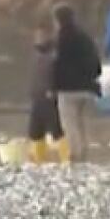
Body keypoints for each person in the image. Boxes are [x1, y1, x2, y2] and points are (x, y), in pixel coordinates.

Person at [50, 4, 102, 163]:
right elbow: (96, 63)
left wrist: (53, 87)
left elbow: (57, 66)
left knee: (70, 124)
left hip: (68, 90)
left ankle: (75, 155)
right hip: (87, 88)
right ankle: (84, 154)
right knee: (82, 124)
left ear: (57, 20)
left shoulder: (61, 39)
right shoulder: (85, 37)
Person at [29, 24, 67, 163]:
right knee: (35, 131)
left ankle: (66, 158)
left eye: (40, 36)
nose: (37, 39)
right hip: (37, 96)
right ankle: (39, 160)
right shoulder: (38, 56)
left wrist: (53, 90)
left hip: (48, 96)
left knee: (56, 129)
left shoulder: (54, 56)